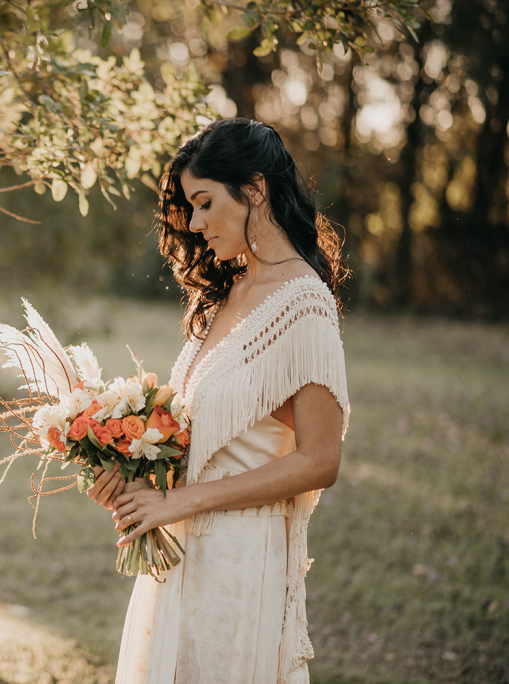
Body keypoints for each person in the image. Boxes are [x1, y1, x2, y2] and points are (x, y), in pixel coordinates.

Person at [86, 117, 350, 684]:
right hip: (182, 553)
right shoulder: (230, 293)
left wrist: (182, 503)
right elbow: (206, 444)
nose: (197, 223)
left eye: (205, 203)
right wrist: (136, 485)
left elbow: (320, 461)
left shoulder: (305, 305)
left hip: (240, 558)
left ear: (254, 190)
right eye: (191, 207)